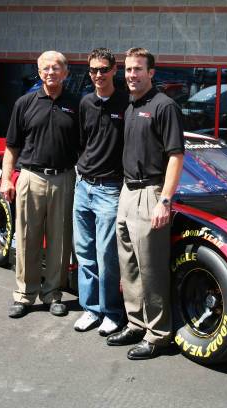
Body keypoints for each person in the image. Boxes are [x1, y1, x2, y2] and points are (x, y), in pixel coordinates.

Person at [107, 48, 184, 360]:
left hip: (151, 193)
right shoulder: (129, 105)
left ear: (152, 72)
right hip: (127, 192)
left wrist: (164, 200)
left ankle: (159, 334)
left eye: (138, 69)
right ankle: (136, 322)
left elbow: (176, 156)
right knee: (129, 265)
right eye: (127, 70)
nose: (131, 75)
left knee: (151, 269)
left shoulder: (164, 106)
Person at [1, 51, 79, 318]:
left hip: (64, 178)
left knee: (60, 240)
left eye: (56, 68)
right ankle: (24, 295)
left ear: (65, 73)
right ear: (39, 71)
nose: (50, 72)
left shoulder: (76, 105)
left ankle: (53, 294)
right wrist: (6, 179)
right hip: (30, 177)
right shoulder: (24, 103)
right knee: (26, 237)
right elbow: (11, 147)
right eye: (45, 68)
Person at [73, 48, 128, 334]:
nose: (97, 75)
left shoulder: (126, 103)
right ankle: (90, 309)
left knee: (107, 257)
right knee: (85, 253)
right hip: (82, 186)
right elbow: (83, 142)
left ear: (114, 70)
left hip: (109, 190)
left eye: (103, 69)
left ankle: (112, 313)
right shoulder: (85, 103)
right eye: (93, 70)